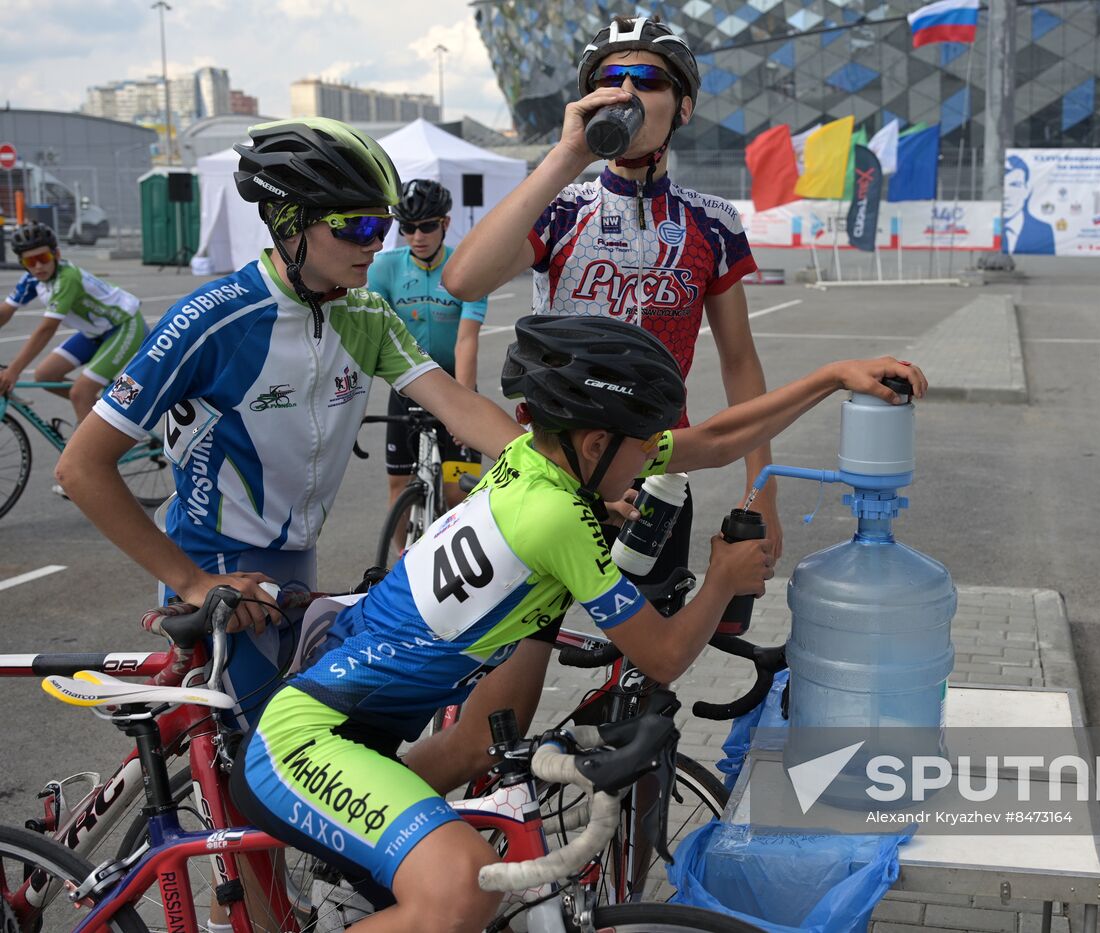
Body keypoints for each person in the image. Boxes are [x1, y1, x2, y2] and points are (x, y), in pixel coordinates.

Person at [231, 313, 926, 929]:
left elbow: (714, 439)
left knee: (463, 874)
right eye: (646, 439)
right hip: (304, 742)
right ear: (595, 444)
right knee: (461, 895)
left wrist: (834, 378)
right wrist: (721, 579)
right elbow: (661, 655)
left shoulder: (539, 459)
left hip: (357, 734)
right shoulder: (557, 513)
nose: (655, 452)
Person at [54, 118, 522, 728]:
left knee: (300, 746)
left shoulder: (367, 314)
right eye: (356, 225)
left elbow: (459, 405)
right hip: (219, 569)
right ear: (290, 225)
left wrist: (568, 476)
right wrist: (190, 581)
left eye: (381, 225)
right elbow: (81, 467)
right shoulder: (213, 320)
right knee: (262, 777)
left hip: (296, 562)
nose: (375, 243)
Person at [443, 15, 783, 592]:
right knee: (512, 662)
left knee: (647, 668)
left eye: (647, 78)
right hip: (551, 470)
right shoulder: (561, 207)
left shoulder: (714, 223)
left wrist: (763, 490)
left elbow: (739, 363)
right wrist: (568, 155)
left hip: (658, 472)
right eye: (609, 78)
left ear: (684, 108)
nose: (624, 92)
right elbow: (463, 280)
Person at [366, 178, 487, 553]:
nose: (417, 236)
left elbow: (467, 340)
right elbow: (375, 335)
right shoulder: (385, 267)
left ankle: (452, 561)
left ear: (445, 224)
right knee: (397, 486)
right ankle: (400, 562)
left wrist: (463, 410)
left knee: (456, 491)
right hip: (407, 385)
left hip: (455, 385)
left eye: (427, 226)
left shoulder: (466, 268)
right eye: (407, 228)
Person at [0, 221, 146, 427]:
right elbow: (5, 311)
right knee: (45, 376)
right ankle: (113, 421)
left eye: (43, 258)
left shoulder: (67, 278)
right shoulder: (31, 279)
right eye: (30, 262)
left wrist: (13, 370)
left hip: (124, 326)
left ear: (56, 255)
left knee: (81, 392)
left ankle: (93, 454)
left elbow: (47, 329)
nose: (38, 266)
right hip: (94, 332)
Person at [1002, 155, 1057, 255]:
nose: (1007, 194)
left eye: (1015, 185)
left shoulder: (1043, 231)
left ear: (1027, 190)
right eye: (1002, 185)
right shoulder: (985, 226)